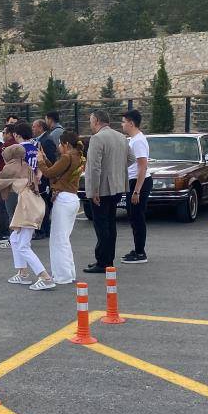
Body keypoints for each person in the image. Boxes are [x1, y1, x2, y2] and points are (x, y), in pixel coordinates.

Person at [0, 145, 53, 290]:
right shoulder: (25, 165)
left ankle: (45, 277)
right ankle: (23, 273)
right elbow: (4, 182)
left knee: (23, 245)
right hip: (34, 204)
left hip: (27, 206)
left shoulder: (10, 168)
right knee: (15, 239)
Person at [83, 110, 135, 274]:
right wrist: (116, 170)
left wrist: (95, 190)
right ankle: (107, 260)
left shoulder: (97, 138)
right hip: (117, 186)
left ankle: (103, 262)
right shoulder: (121, 137)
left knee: (101, 225)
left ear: (97, 121)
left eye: (91, 121)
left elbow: (94, 167)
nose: (90, 125)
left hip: (101, 188)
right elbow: (131, 159)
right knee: (110, 224)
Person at [37, 131, 84, 286]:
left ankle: (62, 276)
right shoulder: (78, 157)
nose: (58, 146)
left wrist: (40, 162)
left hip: (63, 199)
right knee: (63, 238)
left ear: (66, 144)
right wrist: (45, 159)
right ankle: (68, 273)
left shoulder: (66, 157)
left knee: (58, 240)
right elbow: (58, 173)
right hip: (72, 199)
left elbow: (49, 173)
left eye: (59, 143)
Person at [121, 109, 151, 264]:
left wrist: (137, 191)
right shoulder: (133, 139)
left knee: (137, 218)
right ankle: (138, 248)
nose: (122, 124)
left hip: (140, 182)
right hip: (133, 182)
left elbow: (143, 167)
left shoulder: (138, 141)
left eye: (124, 121)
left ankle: (140, 253)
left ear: (131, 123)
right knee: (133, 218)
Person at [31, 119, 57, 241]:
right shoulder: (39, 140)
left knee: (42, 205)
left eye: (34, 126)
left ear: (41, 127)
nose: (32, 129)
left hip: (44, 178)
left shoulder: (47, 141)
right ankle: (43, 229)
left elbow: (50, 160)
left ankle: (43, 230)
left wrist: (44, 174)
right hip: (41, 176)